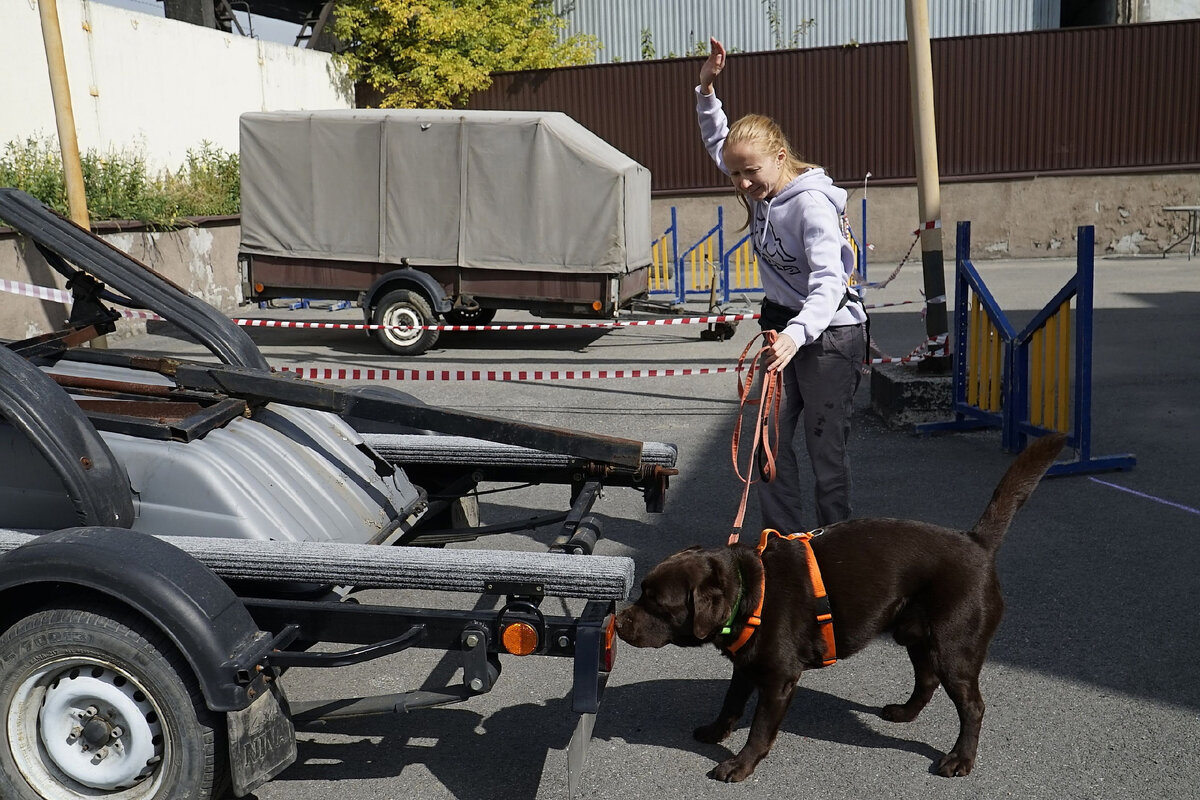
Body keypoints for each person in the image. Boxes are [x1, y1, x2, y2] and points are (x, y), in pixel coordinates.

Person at [697, 37, 868, 531]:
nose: (742, 184)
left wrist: (798, 334)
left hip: (829, 334)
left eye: (750, 173)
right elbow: (719, 143)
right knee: (765, 439)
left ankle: (834, 542)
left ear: (779, 155)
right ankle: (784, 541)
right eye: (735, 176)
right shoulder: (757, 186)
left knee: (825, 450)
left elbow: (830, 281)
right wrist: (707, 89)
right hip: (782, 327)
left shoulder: (809, 204)